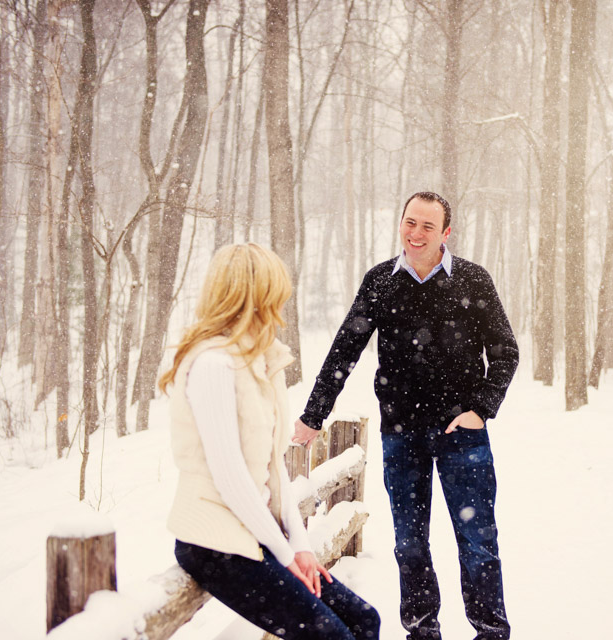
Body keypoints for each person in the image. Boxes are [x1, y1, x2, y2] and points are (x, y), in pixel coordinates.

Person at [293, 192, 519, 640]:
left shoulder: (473, 280)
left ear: (445, 233)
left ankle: (491, 632)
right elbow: (344, 351)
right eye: (410, 222)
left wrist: (480, 410)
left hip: (462, 436)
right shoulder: (381, 281)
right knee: (410, 544)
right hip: (402, 434)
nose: (416, 234)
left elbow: (505, 352)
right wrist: (313, 415)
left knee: (478, 543)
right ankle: (421, 631)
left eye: (427, 226)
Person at [158, 243, 380, 640]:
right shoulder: (213, 364)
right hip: (214, 542)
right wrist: (284, 553)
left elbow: (273, 468)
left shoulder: (261, 360)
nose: (280, 304)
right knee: (331, 636)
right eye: (273, 293)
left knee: (364, 619)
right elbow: (231, 479)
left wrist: (301, 547)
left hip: (255, 532)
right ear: (251, 297)